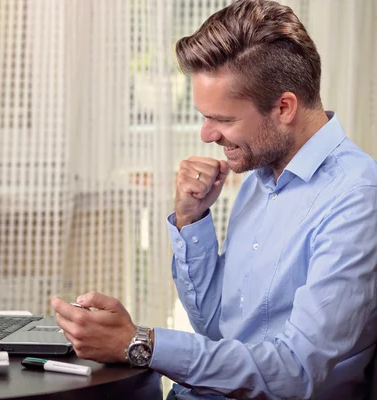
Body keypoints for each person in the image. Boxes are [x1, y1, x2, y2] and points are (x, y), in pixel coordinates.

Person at [51, 0, 377, 398]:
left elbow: (297, 373)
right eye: (204, 116)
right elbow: (218, 328)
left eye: (223, 119)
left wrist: (141, 343)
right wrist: (191, 219)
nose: (207, 135)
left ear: (284, 107)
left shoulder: (356, 201)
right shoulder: (262, 175)